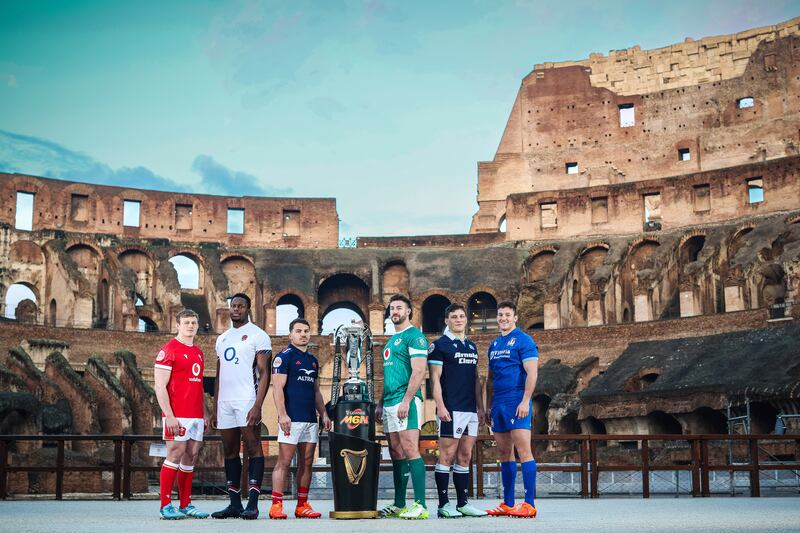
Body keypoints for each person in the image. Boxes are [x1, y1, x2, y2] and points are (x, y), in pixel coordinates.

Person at [211, 293, 272, 520]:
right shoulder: (222, 338)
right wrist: (215, 407)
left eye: (240, 306)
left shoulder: (259, 335)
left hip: (247, 399)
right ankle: (234, 504)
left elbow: (265, 373)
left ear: (248, 309)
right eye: (233, 306)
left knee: (253, 447)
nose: (235, 309)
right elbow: (218, 376)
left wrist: (258, 405)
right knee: (229, 451)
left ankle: (253, 504)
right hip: (225, 402)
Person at [428, 303, 487, 518]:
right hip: (451, 409)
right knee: (447, 455)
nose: (459, 319)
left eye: (462, 316)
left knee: (465, 456)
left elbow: (475, 380)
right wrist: (441, 405)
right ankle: (444, 505)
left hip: (470, 409)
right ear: (447, 321)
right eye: (454, 316)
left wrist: (480, 408)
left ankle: (463, 503)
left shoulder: (471, 347)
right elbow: (434, 379)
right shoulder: (439, 345)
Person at [269, 318, 332, 519]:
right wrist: (282, 414)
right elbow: (277, 388)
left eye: (306, 331)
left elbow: (315, 391)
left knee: (307, 462)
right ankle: (276, 505)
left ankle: (302, 505)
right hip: (291, 418)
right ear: (291, 334)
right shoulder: (283, 357)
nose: (303, 334)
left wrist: (323, 413)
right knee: (284, 462)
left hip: (309, 419)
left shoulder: (312, 360)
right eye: (298, 331)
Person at [376, 293, 429, 520]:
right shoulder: (390, 341)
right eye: (392, 308)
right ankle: (399, 504)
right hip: (388, 402)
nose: (394, 311)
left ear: (408, 311)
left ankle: (420, 505)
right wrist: (380, 403)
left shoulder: (415, 336)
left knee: (410, 449)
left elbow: (419, 371)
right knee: (396, 452)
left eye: (399, 307)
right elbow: (389, 376)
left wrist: (407, 400)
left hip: (405, 401)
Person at [153, 308, 210, 520]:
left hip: (195, 415)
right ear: (177, 325)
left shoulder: (198, 352)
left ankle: (186, 504)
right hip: (176, 413)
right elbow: (160, 387)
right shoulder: (168, 350)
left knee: (191, 456)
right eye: (186, 322)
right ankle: (165, 505)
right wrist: (169, 415)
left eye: (194, 323)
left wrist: (204, 413)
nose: (191, 326)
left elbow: (199, 386)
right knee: (175, 454)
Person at [485, 300, 538, 518]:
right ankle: (507, 504)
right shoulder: (494, 345)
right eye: (500, 315)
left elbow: (532, 373)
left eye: (508, 315)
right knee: (504, 452)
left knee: (524, 451)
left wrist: (525, 401)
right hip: (498, 404)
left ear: (515, 317)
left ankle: (529, 504)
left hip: (517, 401)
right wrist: (488, 405)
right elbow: (489, 379)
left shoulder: (524, 340)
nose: (503, 318)